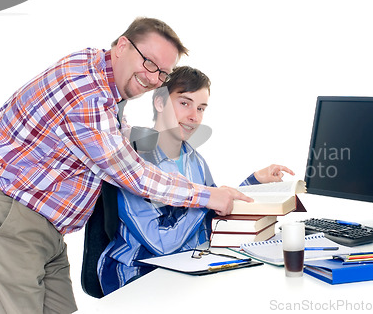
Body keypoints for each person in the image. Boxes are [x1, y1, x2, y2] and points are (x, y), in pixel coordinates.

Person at [0, 17, 251, 314]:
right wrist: (207, 198)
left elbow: (112, 135)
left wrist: (247, 185)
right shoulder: (86, 91)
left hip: (46, 226)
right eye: (148, 62)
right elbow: (135, 177)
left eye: (162, 72)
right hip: (11, 212)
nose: (153, 76)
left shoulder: (100, 73)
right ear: (122, 46)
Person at [97, 66, 294, 295]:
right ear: (159, 103)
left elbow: (215, 210)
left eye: (201, 108)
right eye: (184, 103)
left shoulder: (195, 160)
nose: (194, 116)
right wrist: (208, 200)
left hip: (186, 267)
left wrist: (254, 182)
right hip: (140, 275)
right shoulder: (135, 162)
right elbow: (160, 242)